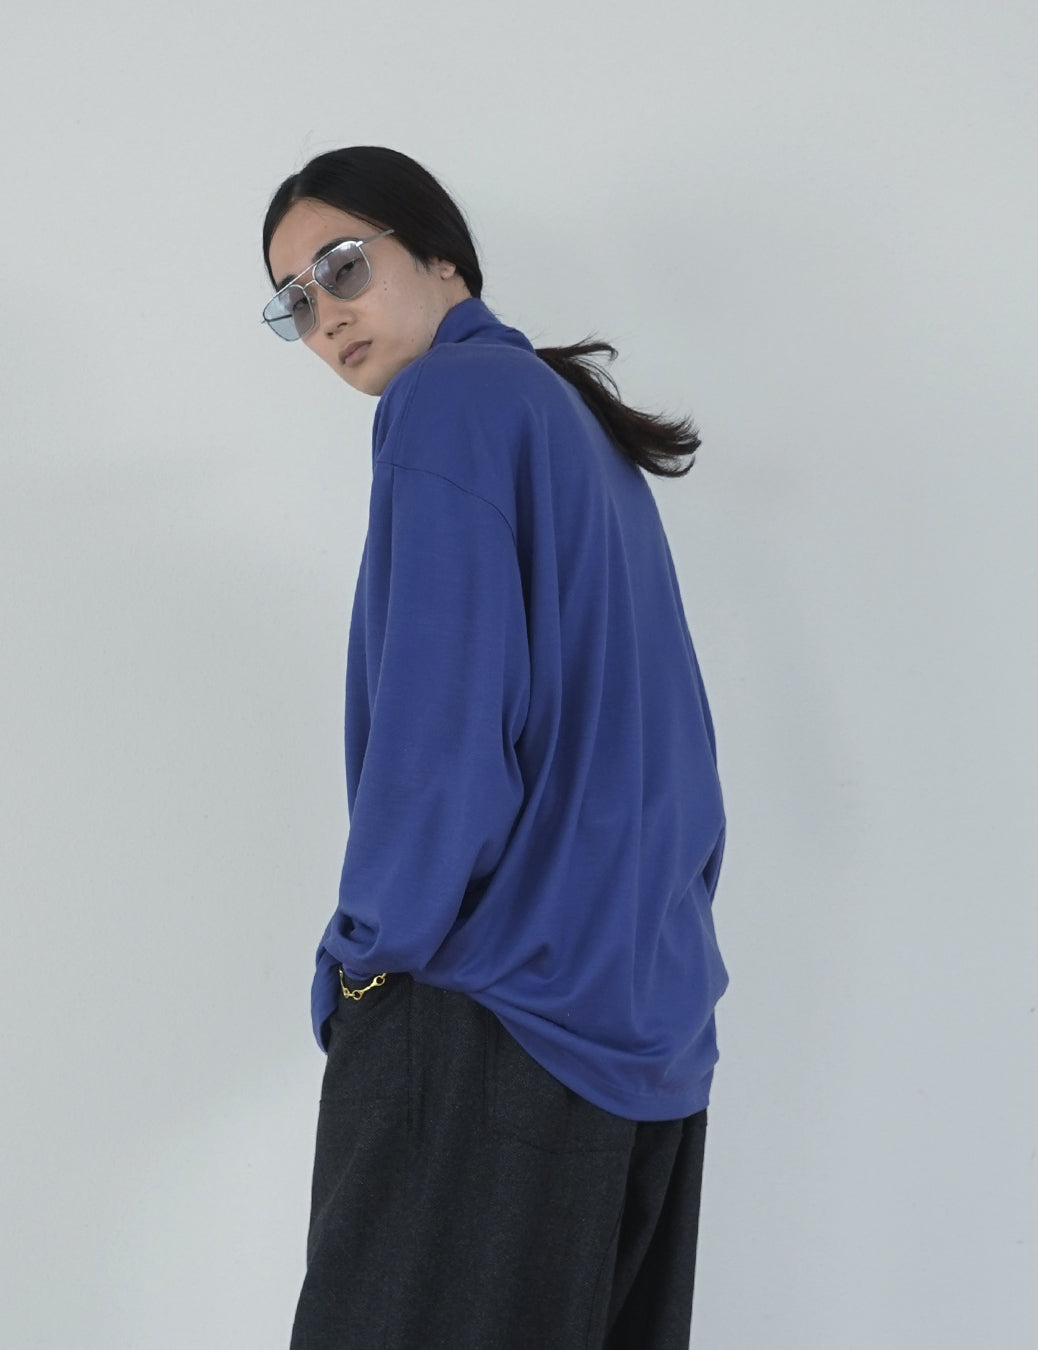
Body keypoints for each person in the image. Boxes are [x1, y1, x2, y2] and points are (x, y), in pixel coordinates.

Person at [261, 145, 729, 1349]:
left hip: (491, 1017)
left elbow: (445, 731)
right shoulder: (567, 422)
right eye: (293, 303)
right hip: (645, 1026)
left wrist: (365, 958)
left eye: (342, 266)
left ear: (442, 257)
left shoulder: (451, 405)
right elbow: (678, 754)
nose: (325, 314)